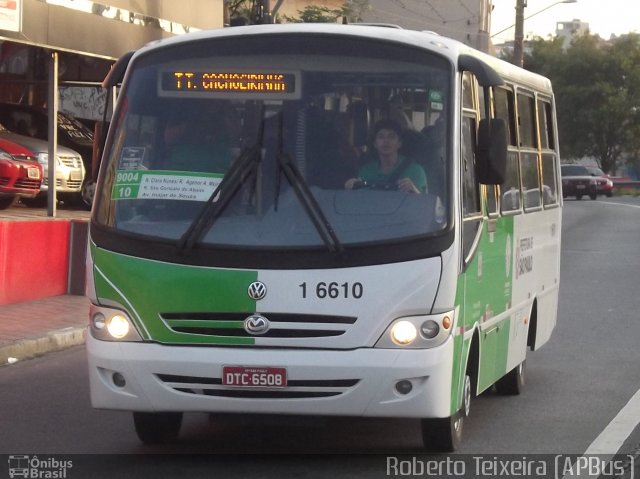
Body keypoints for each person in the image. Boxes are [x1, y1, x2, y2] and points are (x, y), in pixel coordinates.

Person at [344, 119, 427, 194]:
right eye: (381, 137)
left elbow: (425, 206)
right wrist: (350, 190)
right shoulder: (366, 171)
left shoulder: (415, 171)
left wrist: (414, 190)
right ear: (375, 144)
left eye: (391, 137)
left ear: (399, 143)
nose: (386, 141)